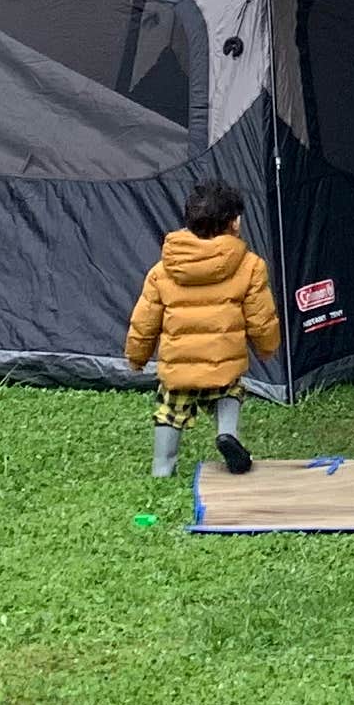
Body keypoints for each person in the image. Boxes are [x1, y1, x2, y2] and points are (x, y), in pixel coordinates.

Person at [125, 176, 280, 480]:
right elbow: (261, 317)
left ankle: (162, 467)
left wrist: (137, 356)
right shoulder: (249, 266)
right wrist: (267, 347)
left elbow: (144, 320)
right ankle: (226, 434)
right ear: (234, 223)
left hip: (178, 368)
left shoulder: (163, 270)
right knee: (230, 392)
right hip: (222, 362)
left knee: (170, 413)